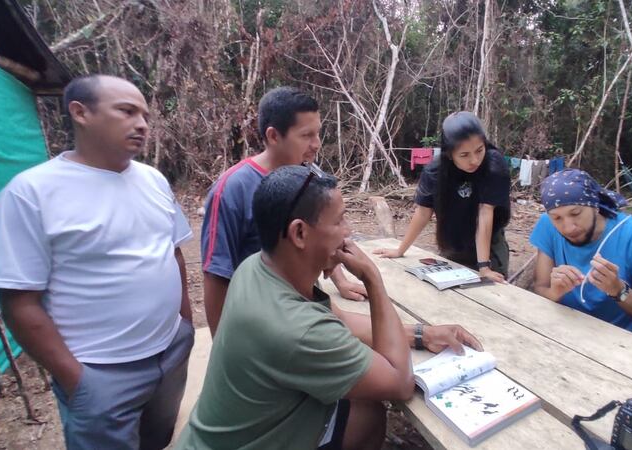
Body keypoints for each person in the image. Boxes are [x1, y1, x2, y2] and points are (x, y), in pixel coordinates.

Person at [177, 165, 483, 450]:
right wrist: (374, 281)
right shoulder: (297, 329)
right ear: (299, 233)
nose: (348, 231)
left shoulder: (256, 267)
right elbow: (400, 382)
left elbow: (337, 318)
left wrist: (420, 334)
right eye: (338, 220)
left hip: (214, 436)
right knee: (368, 413)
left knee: (365, 409)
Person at [0, 75, 194, 449]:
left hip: (169, 353)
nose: (142, 123)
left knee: (158, 441)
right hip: (100, 374)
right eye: (127, 111)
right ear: (80, 112)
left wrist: (184, 328)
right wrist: (76, 380)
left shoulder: (153, 180)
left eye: (145, 114)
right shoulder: (32, 192)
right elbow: (18, 301)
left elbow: (173, 253)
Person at [201, 86, 367, 337]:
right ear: (273, 136)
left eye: (318, 133)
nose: (317, 144)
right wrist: (224, 346)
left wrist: (341, 281)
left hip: (302, 313)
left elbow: (323, 234)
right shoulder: (232, 189)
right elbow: (216, 277)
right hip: (259, 323)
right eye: (306, 135)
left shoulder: (312, 176)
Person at [529, 168, 632, 337]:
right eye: (557, 218)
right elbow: (540, 288)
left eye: (576, 213)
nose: (568, 227)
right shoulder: (547, 225)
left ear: (595, 206)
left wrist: (618, 290)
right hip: (563, 333)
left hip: (622, 344)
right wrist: (554, 293)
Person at [374, 112, 511, 283]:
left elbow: (485, 213)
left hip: (490, 246)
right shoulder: (435, 172)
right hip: (453, 245)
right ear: (449, 154)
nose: (474, 160)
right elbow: (423, 213)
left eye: (479, 150)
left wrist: (484, 267)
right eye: (464, 155)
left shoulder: (493, 165)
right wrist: (400, 250)